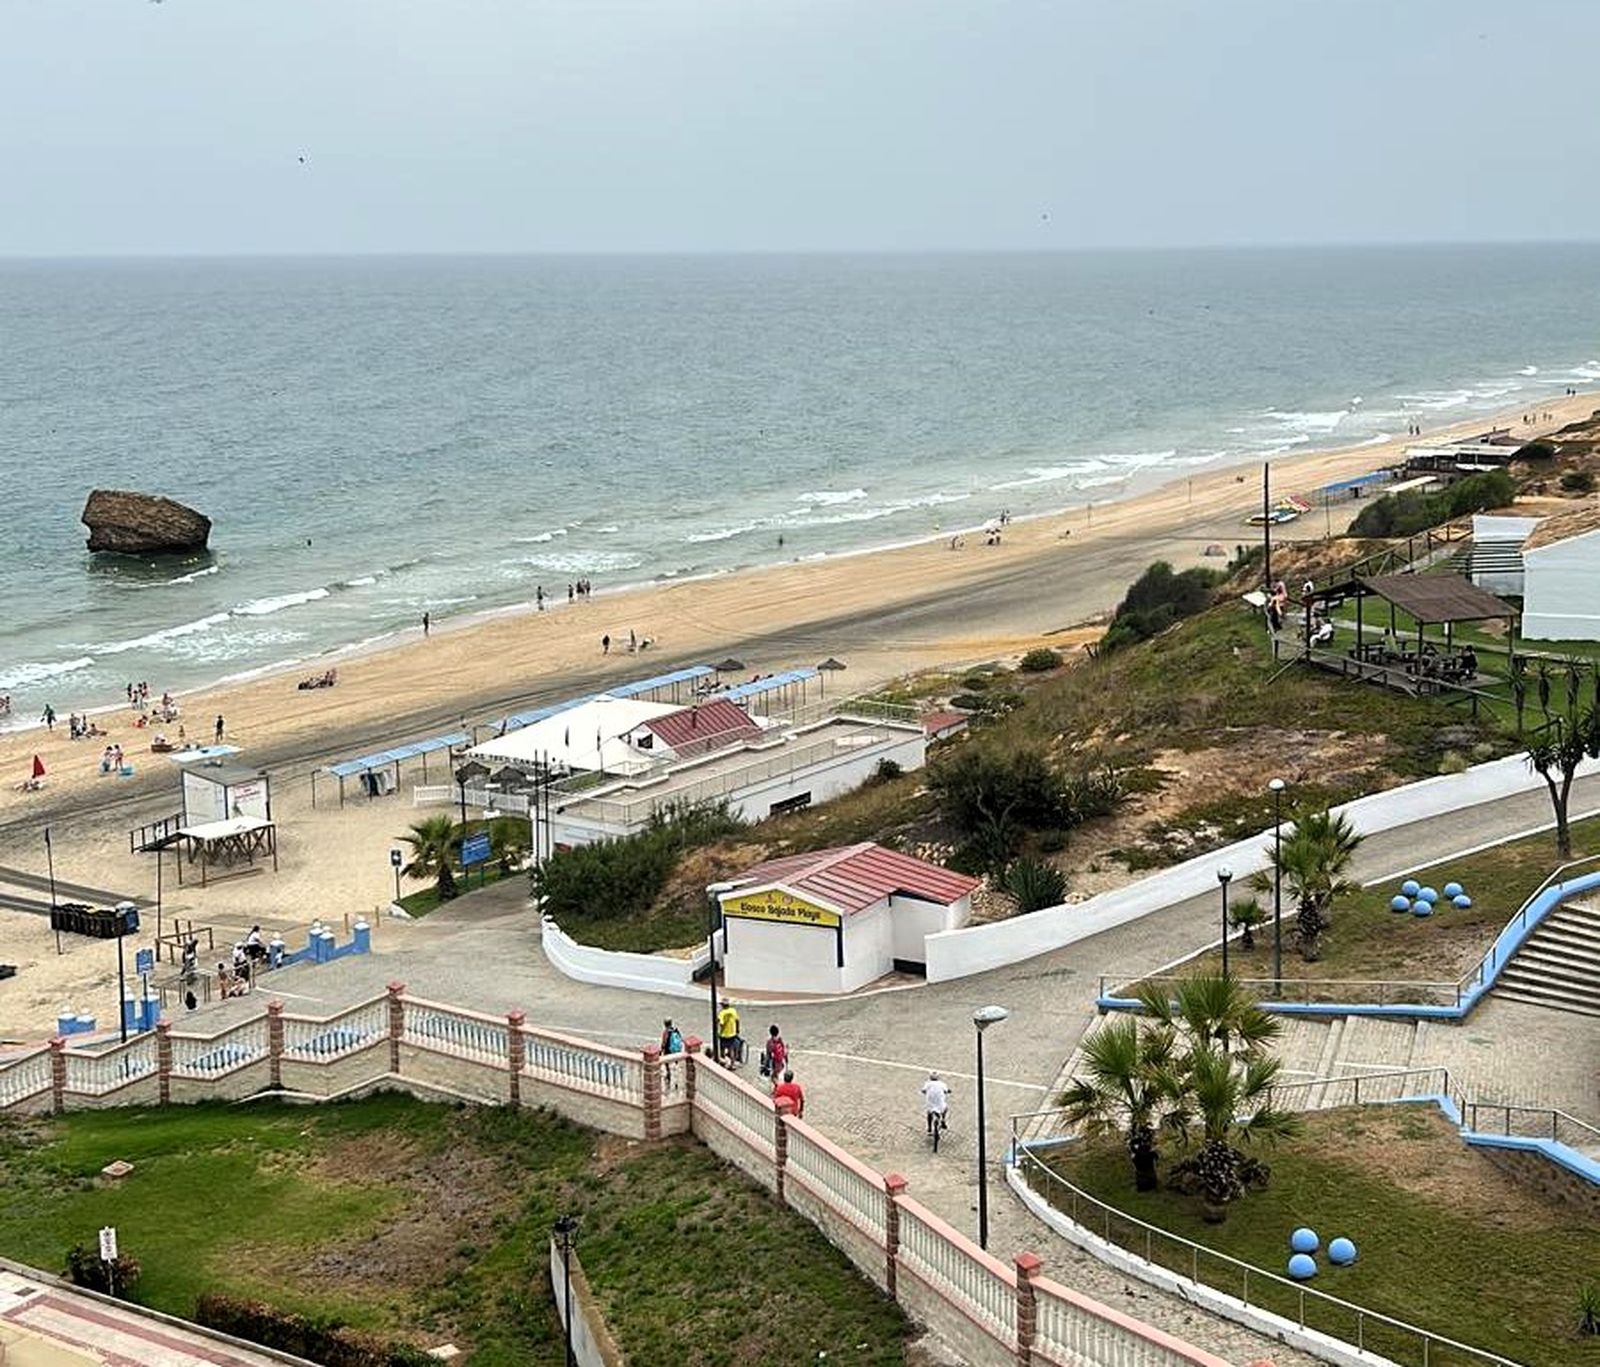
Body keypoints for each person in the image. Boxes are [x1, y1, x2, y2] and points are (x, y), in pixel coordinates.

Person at [716, 1001, 742, 1066]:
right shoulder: (733, 1011)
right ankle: (732, 1065)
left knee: (722, 1049)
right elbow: (737, 1020)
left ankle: (723, 1062)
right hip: (732, 1034)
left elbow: (721, 1024)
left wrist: (719, 1032)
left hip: (724, 1034)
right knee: (731, 1049)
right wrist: (737, 1029)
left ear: (723, 1005)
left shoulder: (722, 1013)